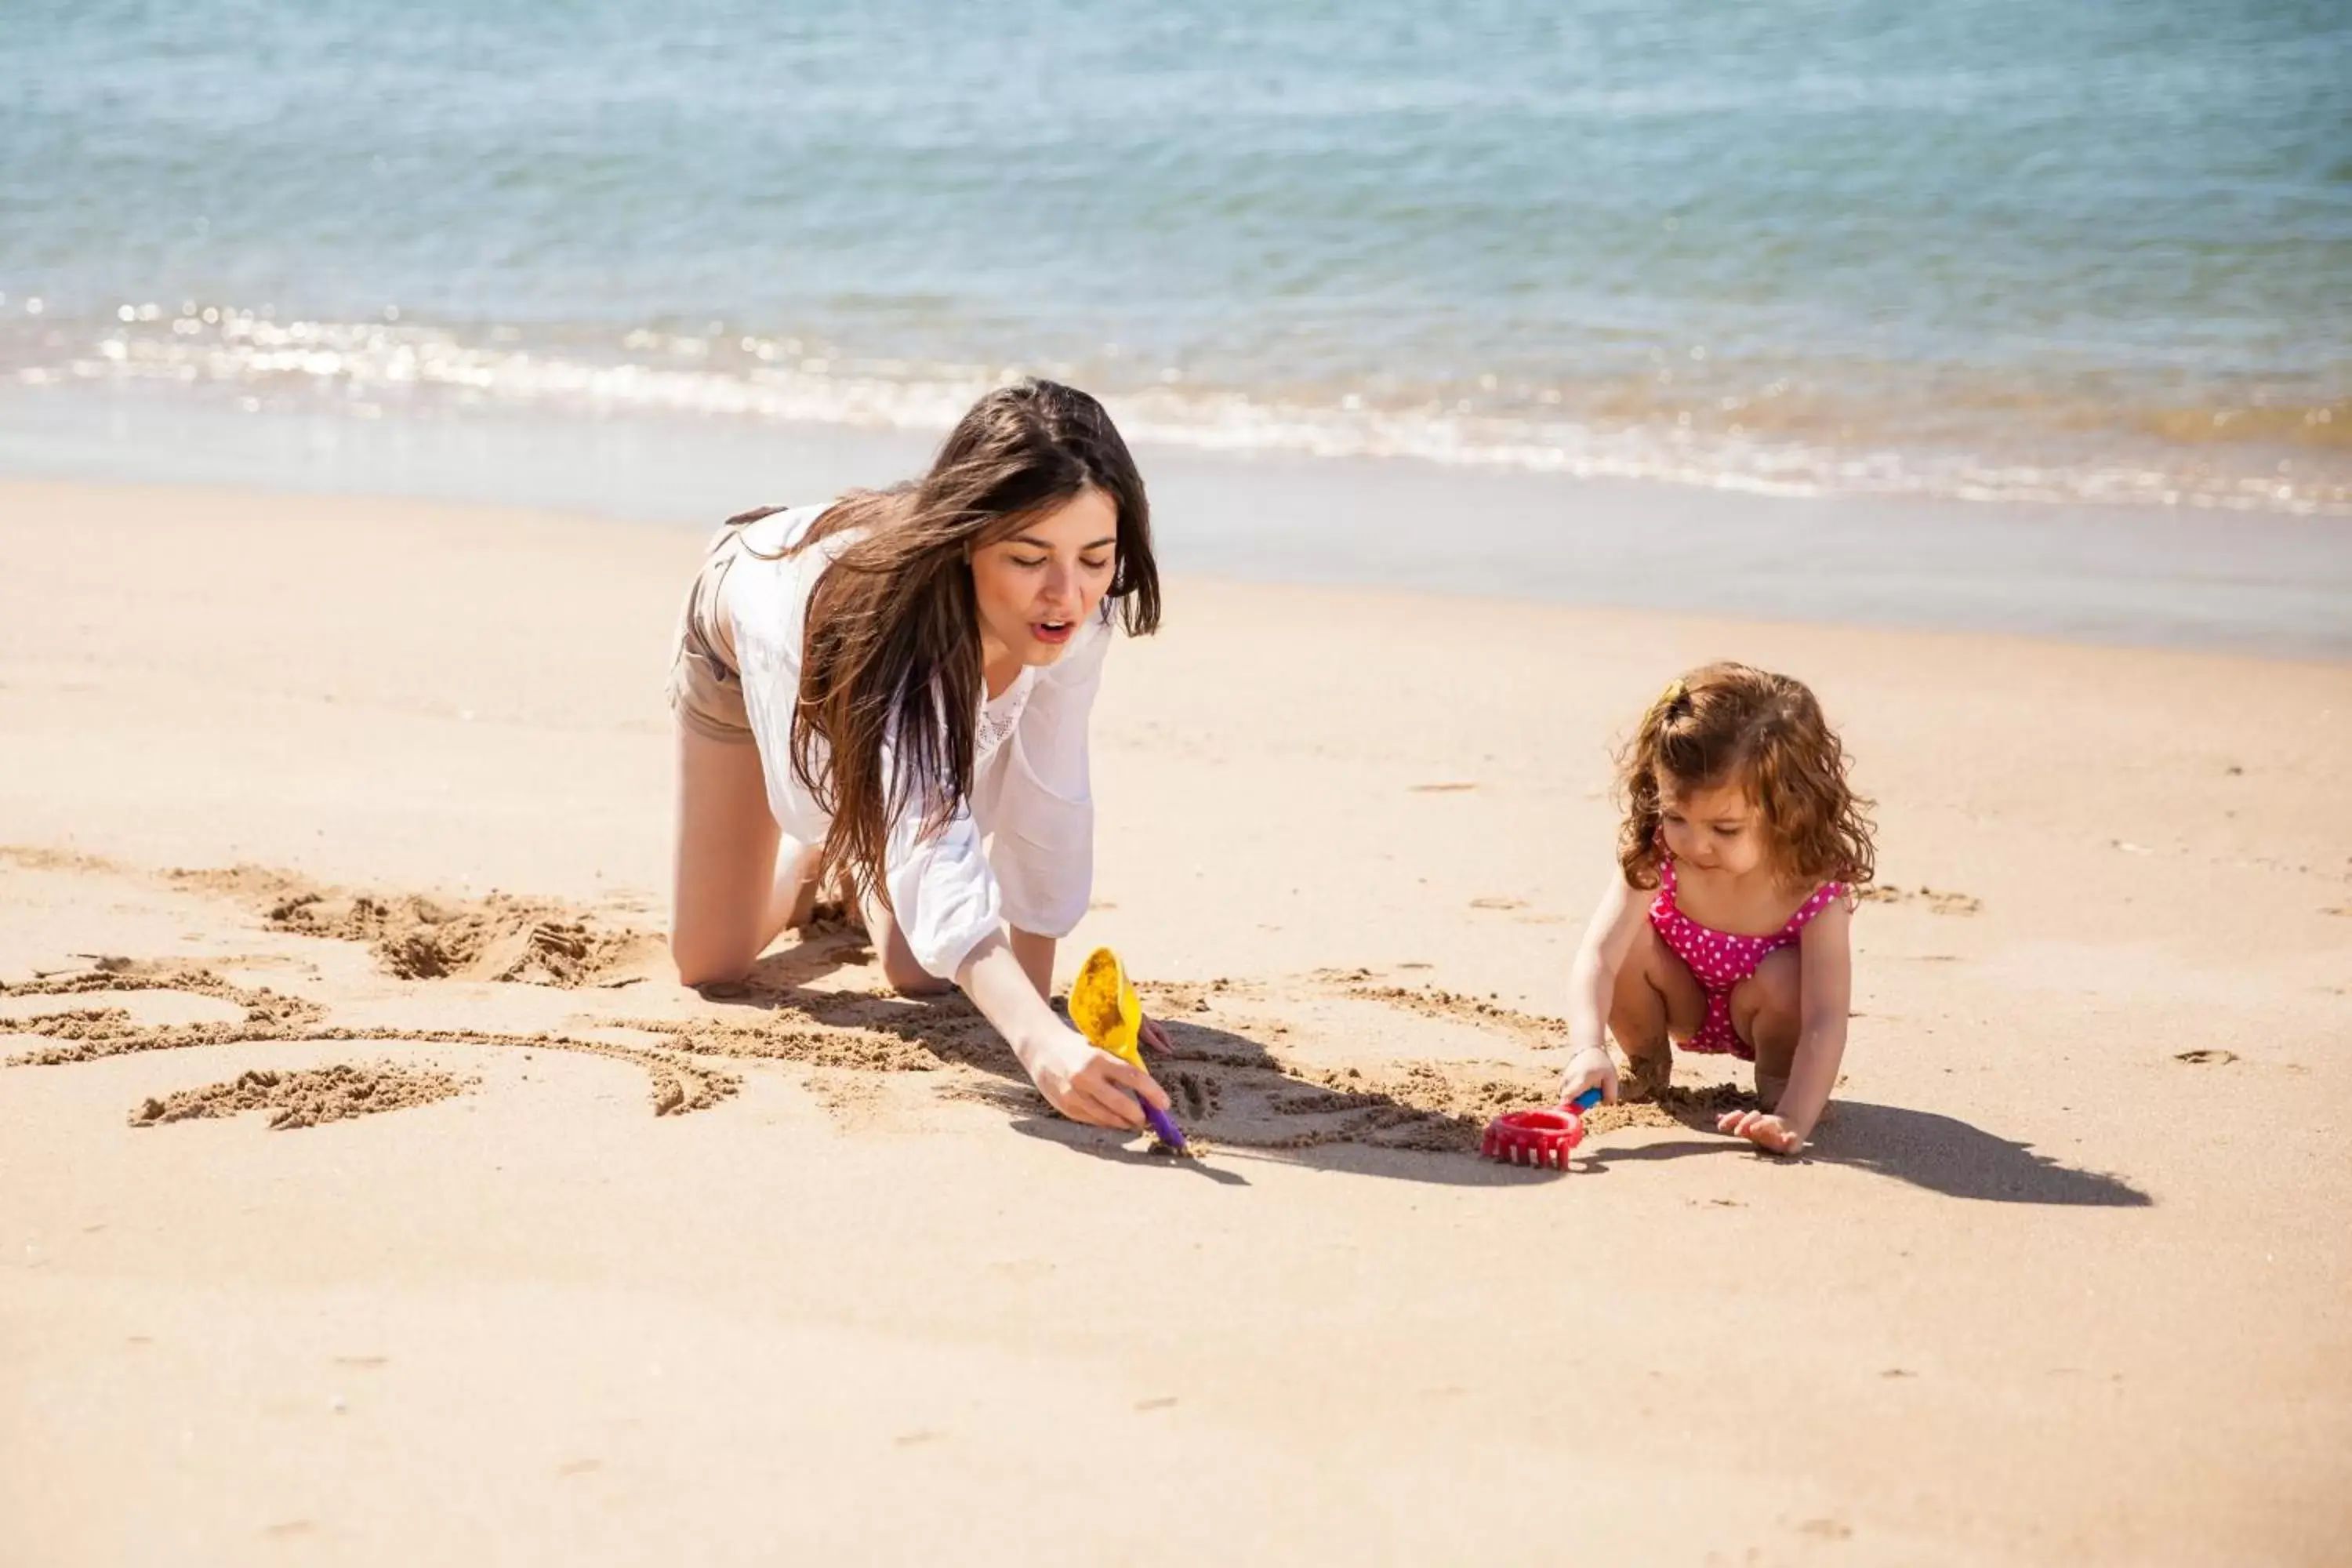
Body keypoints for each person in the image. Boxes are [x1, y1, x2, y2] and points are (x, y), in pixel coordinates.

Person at [664, 379, 1173, 1133]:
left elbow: (1052, 803)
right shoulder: (898, 639)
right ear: (967, 544)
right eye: (1030, 557)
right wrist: (1038, 1046)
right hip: (748, 636)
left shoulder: (1074, 620)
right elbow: (936, 850)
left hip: (898, 713)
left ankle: (871, 830)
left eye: (1095, 558)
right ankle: (828, 845)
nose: (1067, 595)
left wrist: (1047, 1021)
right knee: (712, 963)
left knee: (921, 973)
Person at [1558, 663, 1875, 1154]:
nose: (1694, 844)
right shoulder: (1658, 853)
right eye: (1675, 816)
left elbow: (1825, 1016)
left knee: (1789, 976)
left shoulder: (1812, 885)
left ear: (1789, 809)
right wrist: (1588, 1048)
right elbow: (1597, 958)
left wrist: (1796, 1117)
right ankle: (1646, 1066)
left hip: (1768, 1015)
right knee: (1628, 945)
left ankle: (1776, 1089)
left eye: (1725, 830)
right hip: (1678, 996)